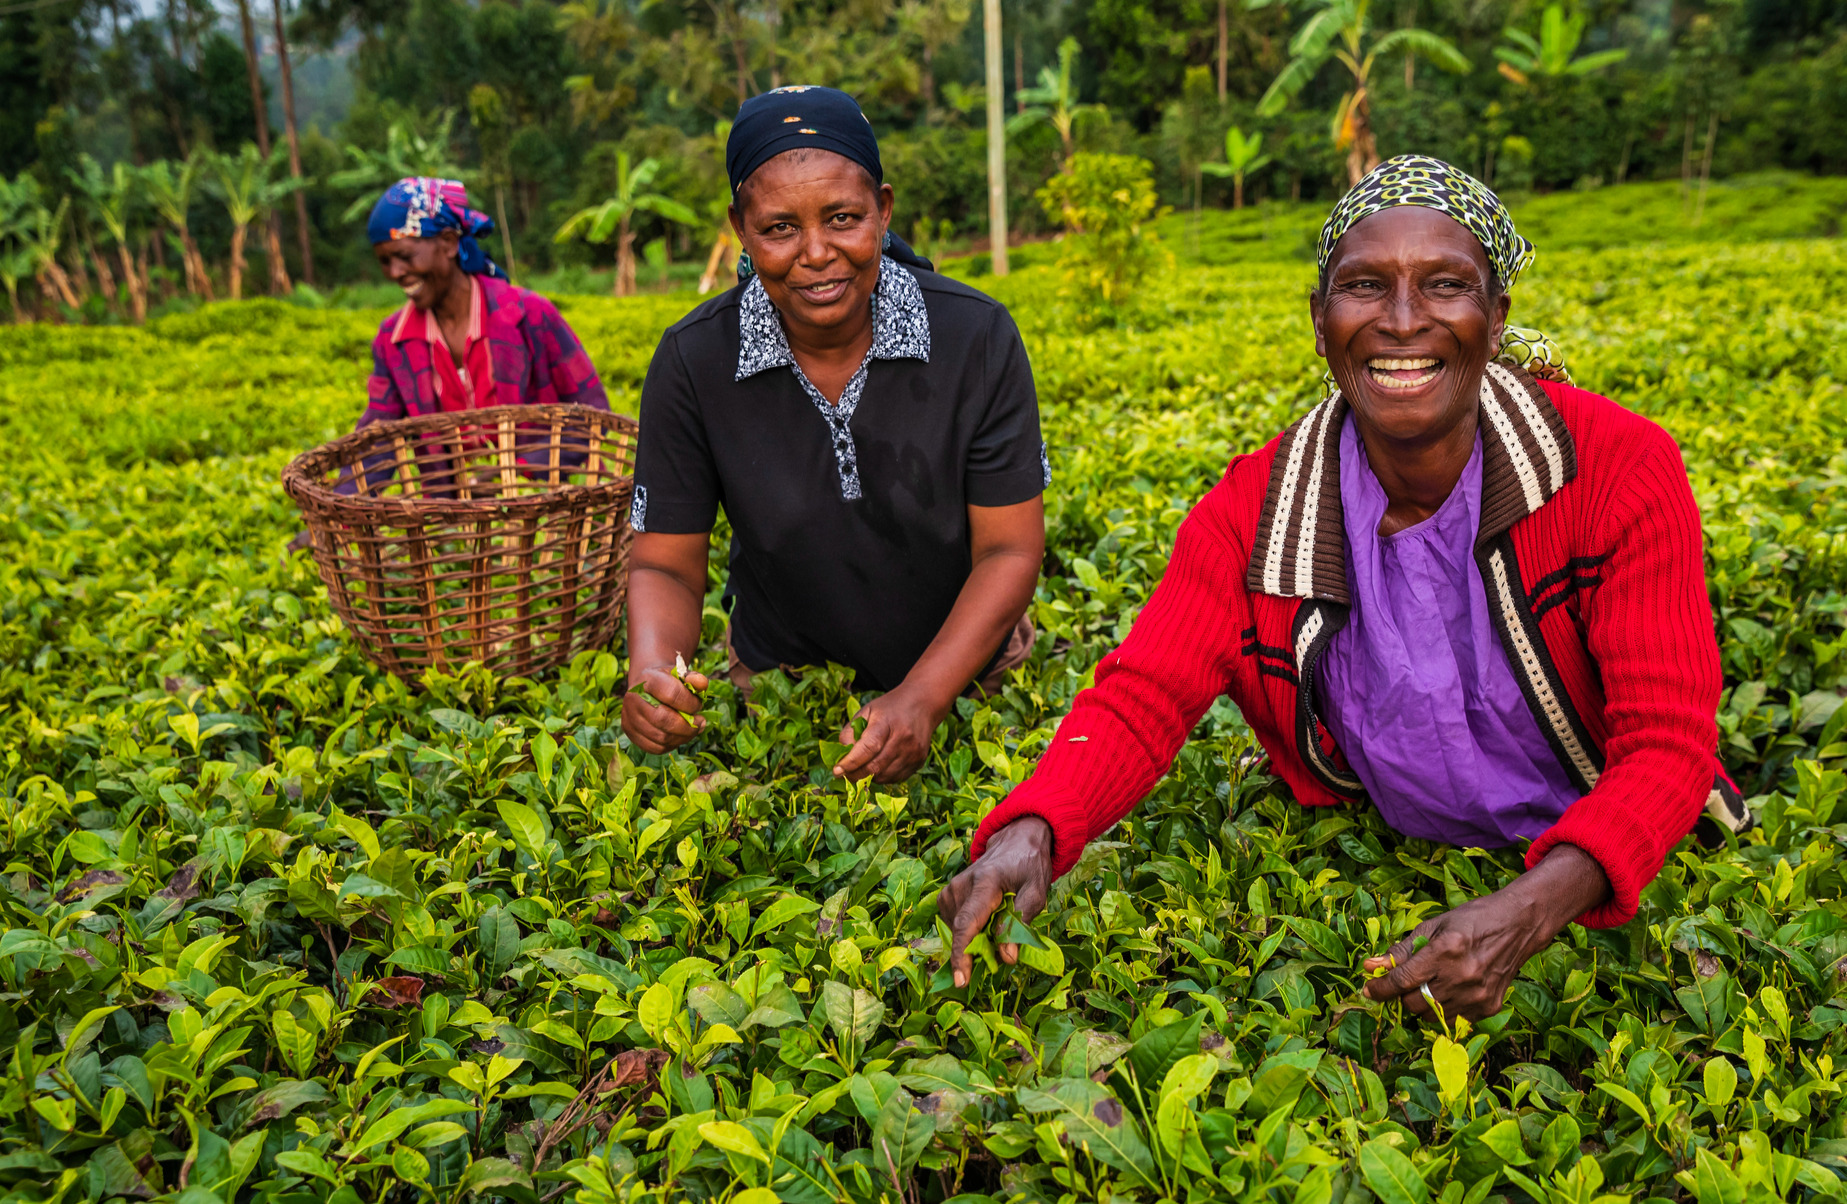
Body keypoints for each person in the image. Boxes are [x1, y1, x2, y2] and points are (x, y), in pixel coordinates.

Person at [936, 155, 1748, 1020]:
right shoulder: (1251, 508)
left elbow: (1666, 745)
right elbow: (1145, 693)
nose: (1402, 322)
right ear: (1320, 323)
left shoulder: (1616, 469)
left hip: (1597, 861)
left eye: (1444, 285)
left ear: (1494, 314)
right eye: (1363, 286)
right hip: (1391, 841)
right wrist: (1035, 828)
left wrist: (1532, 907)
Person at [621, 86, 1048, 785]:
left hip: (970, 677)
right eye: (779, 228)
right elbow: (664, 563)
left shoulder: (975, 336)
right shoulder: (695, 361)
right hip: (781, 687)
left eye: (843, 218)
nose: (816, 253)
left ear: (882, 210)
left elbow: (1008, 549)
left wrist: (923, 697)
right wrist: (651, 672)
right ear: (739, 227)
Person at [360, 177, 608, 432]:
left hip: (544, 472)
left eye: (404, 256)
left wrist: (517, 469)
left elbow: (594, 413)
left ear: (448, 243)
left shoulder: (532, 314)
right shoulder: (392, 340)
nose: (395, 272)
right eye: (385, 262)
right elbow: (377, 434)